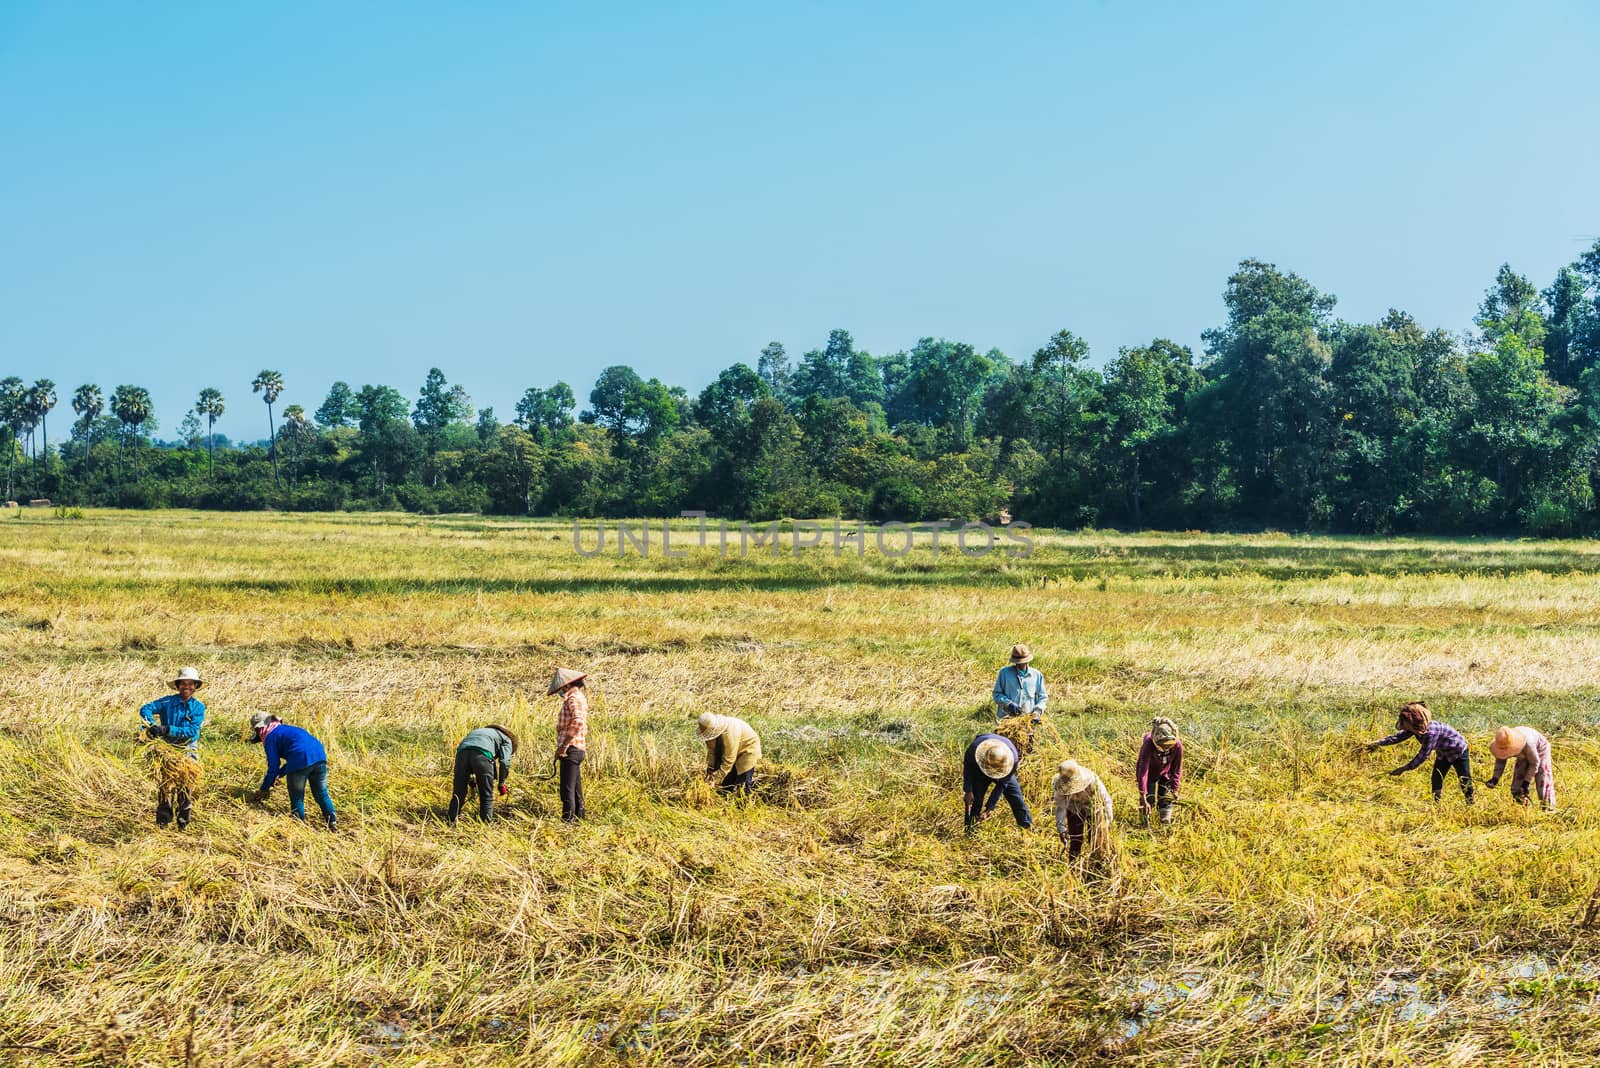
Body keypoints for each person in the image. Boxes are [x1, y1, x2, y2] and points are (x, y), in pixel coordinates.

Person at [137, 666, 207, 829]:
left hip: (187, 747)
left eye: (191, 684)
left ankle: (183, 821)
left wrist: (167, 728)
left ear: (195, 686)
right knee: (165, 783)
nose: (187, 687)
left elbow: (191, 730)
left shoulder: (198, 707)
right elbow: (145, 709)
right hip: (166, 746)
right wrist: (152, 726)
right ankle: (163, 820)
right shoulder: (167, 702)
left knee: (186, 782)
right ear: (177, 685)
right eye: (183, 684)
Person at [1364, 702, 1474, 804]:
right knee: (1436, 778)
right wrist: (1376, 743)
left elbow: (1423, 755)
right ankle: (1437, 803)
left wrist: (1403, 769)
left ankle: (1470, 802)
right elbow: (1397, 737)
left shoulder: (1430, 732)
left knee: (1464, 778)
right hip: (1443, 753)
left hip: (1458, 751)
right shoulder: (1414, 728)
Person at [249, 712, 337, 829]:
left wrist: (263, 789)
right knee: (321, 793)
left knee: (297, 797)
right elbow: (294, 757)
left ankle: (299, 826)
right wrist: (279, 775)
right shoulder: (287, 730)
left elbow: (274, 766)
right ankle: (332, 822)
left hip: (300, 758)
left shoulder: (270, 737)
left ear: (260, 730)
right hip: (320, 755)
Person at [448, 723, 518, 824]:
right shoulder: (506, 739)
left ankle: (451, 821)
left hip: (461, 754)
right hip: (483, 755)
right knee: (486, 795)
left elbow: (470, 752)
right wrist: (501, 783)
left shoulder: (478, 732)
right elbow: (504, 762)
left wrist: (471, 778)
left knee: (458, 792)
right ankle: (484, 824)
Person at [962, 732, 1032, 832]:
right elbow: (968, 768)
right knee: (976, 798)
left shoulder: (1012, 759)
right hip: (981, 768)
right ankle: (971, 829)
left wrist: (989, 808)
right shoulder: (974, 749)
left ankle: (1027, 830)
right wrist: (968, 790)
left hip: (1003, 769)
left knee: (1016, 798)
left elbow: (1002, 785)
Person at [1052, 759, 1115, 866]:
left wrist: (1107, 821)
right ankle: (1073, 866)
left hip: (1093, 808)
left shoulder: (1092, 781)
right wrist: (1061, 828)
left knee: (1095, 839)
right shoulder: (1061, 788)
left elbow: (1106, 800)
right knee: (1075, 839)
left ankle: (1096, 864)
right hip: (1074, 810)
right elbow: (1060, 808)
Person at [548, 668, 588, 822]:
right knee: (576, 787)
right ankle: (580, 818)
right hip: (576, 748)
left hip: (571, 749)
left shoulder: (573, 698)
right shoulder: (579, 697)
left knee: (567, 789)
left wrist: (563, 746)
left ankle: (568, 821)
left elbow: (578, 721)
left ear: (566, 686)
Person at [1485, 725, 1556, 810]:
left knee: (1543, 779)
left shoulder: (1528, 744)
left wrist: (1526, 782)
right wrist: (1495, 778)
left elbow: (1534, 763)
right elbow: (1501, 760)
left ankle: (1548, 809)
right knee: (1517, 784)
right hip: (1523, 755)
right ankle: (1521, 807)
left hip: (1540, 749)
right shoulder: (1503, 741)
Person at [697, 712, 761, 795]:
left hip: (748, 749)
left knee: (742, 784)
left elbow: (729, 759)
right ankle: (725, 798)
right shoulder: (709, 732)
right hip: (732, 751)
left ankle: (743, 804)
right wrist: (710, 771)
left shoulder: (730, 732)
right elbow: (712, 752)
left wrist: (715, 779)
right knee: (726, 783)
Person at [1135, 716, 1183, 826]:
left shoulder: (1177, 746)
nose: (1166, 748)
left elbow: (1176, 768)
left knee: (1165, 799)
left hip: (1165, 773)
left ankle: (1165, 823)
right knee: (1149, 800)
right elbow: (1143, 770)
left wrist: (1175, 789)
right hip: (1149, 774)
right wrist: (1143, 794)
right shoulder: (1148, 743)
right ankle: (1144, 824)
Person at [992, 644, 1047, 722]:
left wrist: (1037, 712)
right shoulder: (1004, 673)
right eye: (1018, 662)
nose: (1021, 664)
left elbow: (1043, 697)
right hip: (1006, 720)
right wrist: (1008, 703)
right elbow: (996, 694)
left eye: (1023, 662)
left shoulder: (1037, 675)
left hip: (1028, 720)